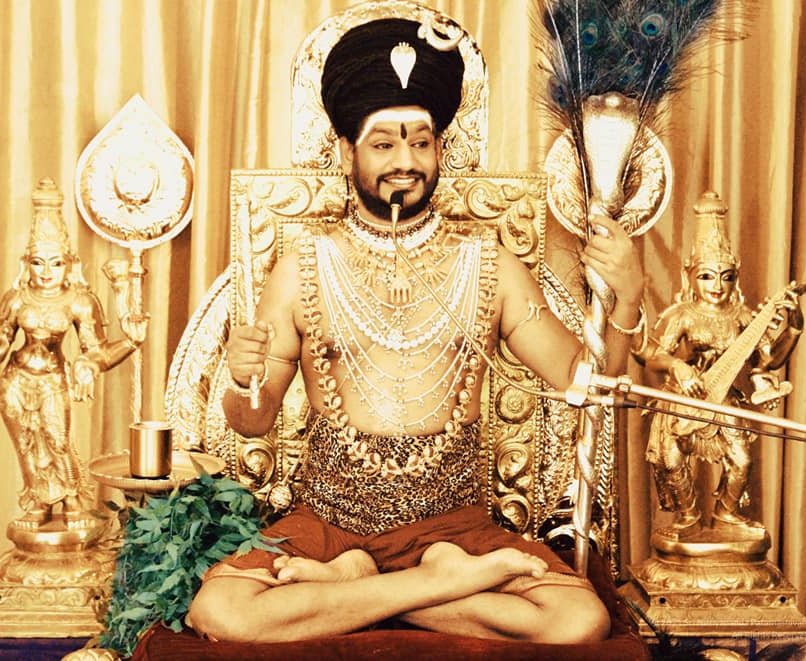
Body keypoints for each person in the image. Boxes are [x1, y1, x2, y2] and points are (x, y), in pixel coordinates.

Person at [188, 18, 643, 644]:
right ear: (345, 151)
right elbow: (252, 422)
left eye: (421, 143)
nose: (405, 162)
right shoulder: (302, 267)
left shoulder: (490, 265)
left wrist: (629, 296)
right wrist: (243, 381)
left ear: (439, 149)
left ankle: (355, 590)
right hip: (329, 524)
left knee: (578, 620)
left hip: (455, 528)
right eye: (383, 145)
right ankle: (435, 585)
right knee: (221, 610)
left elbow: (586, 383)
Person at [0, 178, 147, 530]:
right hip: (16, 381)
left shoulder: (79, 301)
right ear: (27, 264)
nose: (45, 272)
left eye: (55, 264)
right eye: (38, 263)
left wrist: (130, 343)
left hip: (53, 381)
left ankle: (71, 499)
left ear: (69, 265)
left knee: (57, 441)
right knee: (26, 444)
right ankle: (39, 502)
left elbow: (97, 353)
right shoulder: (16, 299)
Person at [635, 192, 804, 538]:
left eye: (726, 277)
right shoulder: (682, 315)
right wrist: (678, 367)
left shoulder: (741, 315)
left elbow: (768, 361)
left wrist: (794, 327)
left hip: (722, 398)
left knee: (742, 460)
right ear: (690, 277)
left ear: (735, 278)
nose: (717, 286)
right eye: (707, 276)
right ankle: (688, 517)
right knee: (672, 460)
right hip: (683, 398)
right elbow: (650, 355)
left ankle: (726, 512)